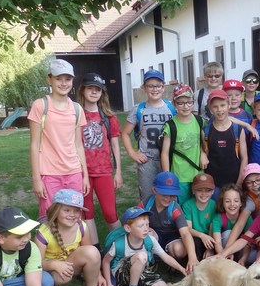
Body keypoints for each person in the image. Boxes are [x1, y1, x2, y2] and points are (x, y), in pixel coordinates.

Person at [28, 58, 89, 218]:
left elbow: (78, 145)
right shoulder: (40, 106)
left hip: (74, 172)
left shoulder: (77, 109)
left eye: (67, 79)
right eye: (58, 78)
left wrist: (85, 176)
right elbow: (34, 145)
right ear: (49, 79)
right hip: (49, 174)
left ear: (72, 81)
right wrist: (36, 179)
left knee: (74, 217)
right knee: (50, 217)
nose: (63, 83)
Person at [35, 189, 110, 286]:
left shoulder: (82, 226)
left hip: (70, 264)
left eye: (76, 210)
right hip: (50, 270)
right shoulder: (43, 233)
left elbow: (89, 253)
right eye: (67, 210)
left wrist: (99, 275)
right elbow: (37, 263)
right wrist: (54, 264)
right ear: (56, 210)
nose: (72, 214)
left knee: (92, 251)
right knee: (63, 277)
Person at [102, 206, 187, 286]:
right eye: (141, 226)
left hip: (141, 270)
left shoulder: (150, 240)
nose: (146, 229)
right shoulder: (119, 244)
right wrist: (109, 284)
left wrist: (182, 269)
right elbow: (106, 261)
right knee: (141, 256)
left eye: (147, 224)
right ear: (128, 228)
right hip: (121, 273)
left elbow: (166, 257)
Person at [76, 72, 122, 250]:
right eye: (90, 88)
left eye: (98, 89)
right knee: (87, 212)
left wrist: (118, 172)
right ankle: (95, 249)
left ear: (102, 92)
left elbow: (115, 146)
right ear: (83, 90)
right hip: (82, 172)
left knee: (110, 212)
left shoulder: (109, 117)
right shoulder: (76, 114)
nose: (94, 92)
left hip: (103, 171)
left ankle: (122, 247)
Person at [121, 69, 176, 205]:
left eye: (158, 86)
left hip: (170, 158)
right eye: (150, 86)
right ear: (144, 88)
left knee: (170, 195)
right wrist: (132, 153)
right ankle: (148, 218)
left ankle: (168, 219)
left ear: (163, 87)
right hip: (147, 160)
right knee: (147, 196)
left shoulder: (172, 107)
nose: (155, 89)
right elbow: (125, 133)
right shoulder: (139, 109)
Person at [141, 171, 200, 273]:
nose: (168, 198)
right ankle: (150, 260)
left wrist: (192, 257)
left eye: (172, 195)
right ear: (154, 190)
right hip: (155, 234)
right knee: (146, 235)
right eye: (164, 194)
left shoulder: (175, 208)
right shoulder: (145, 205)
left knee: (179, 250)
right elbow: (135, 225)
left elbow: (185, 233)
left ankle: (170, 257)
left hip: (171, 237)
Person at [160, 85, 208, 205]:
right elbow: (165, 153)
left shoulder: (199, 121)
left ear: (193, 102)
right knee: (182, 207)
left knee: (198, 205)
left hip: (198, 173)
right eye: (181, 103)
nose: (186, 106)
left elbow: (202, 141)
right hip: (180, 176)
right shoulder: (170, 126)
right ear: (174, 104)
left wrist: (203, 153)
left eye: (189, 102)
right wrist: (167, 176)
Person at [204, 89, 248, 189]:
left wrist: (239, 182)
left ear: (229, 105)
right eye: (215, 106)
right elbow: (204, 152)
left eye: (223, 105)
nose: (219, 109)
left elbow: (244, 158)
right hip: (213, 185)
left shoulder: (238, 130)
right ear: (210, 108)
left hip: (234, 182)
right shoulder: (206, 131)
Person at [211, 183, 253, 260]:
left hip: (240, 248)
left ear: (241, 203)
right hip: (224, 249)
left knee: (252, 255)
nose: (232, 204)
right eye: (227, 201)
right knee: (228, 234)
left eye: (236, 201)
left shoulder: (247, 218)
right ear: (222, 203)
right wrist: (223, 256)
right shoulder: (218, 219)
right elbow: (217, 243)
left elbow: (248, 241)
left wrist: (243, 258)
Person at [182, 173, 218, 260]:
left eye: (208, 190)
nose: (204, 193)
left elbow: (213, 227)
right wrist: (202, 236)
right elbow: (188, 229)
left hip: (210, 237)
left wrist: (209, 249)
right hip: (195, 236)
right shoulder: (187, 205)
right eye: (199, 190)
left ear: (213, 191)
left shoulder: (214, 205)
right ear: (193, 191)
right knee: (195, 242)